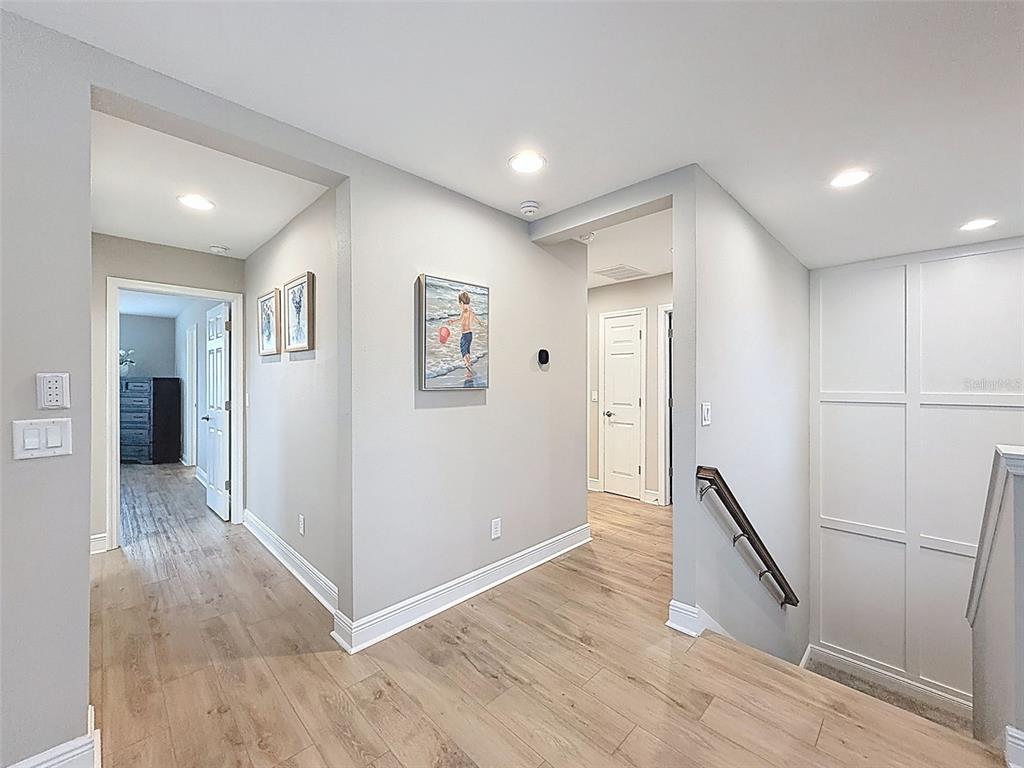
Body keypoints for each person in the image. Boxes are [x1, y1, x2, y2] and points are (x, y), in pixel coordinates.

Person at [449, 290, 483, 379]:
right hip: (470, 334)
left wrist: (453, 321)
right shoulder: (471, 311)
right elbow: (475, 319)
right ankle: (469, 367)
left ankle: (467, 364)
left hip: (464, 334)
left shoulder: (464, 311)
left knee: (463, 349)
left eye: (460, 303)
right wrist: (480, 323)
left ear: (461, 302)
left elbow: (461, 320)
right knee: (467, 349)